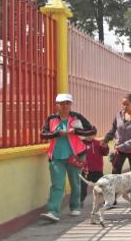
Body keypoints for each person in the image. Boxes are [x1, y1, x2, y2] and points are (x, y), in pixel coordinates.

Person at [40, 93, 96, 223]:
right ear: (57, 105)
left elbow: (92, 131)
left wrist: (75, 132)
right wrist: (58, 133)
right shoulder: (51, 119)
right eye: (62, 103)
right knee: (57, 185)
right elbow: (43, 134)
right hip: (57, 157)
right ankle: (52, 211)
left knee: (75, 182)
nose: (65, 106)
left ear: (71, 104)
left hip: (75, 155)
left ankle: (75, 206)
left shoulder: (77, 117)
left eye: (67, 103)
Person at [103, 93, 131, 204]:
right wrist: (106, 139)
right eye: (122, 104)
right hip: (119, 150)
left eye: (127, 104)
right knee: (115, 173)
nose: (124, 106)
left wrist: (122, 145)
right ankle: (112, 198)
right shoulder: (118, 115)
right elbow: (113, 129)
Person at [80, 137, 110, 204]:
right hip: (85, 170)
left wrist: (105, 146)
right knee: (82, 187)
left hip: (97, 170)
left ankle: (107, 201)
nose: (90, 136)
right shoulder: (80, 143)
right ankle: (80, 202)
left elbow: (105, 153)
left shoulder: (98, 143)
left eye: (92, 134)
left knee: (102, 186)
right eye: (88, 134)